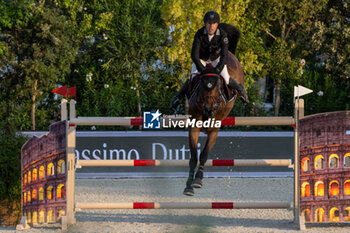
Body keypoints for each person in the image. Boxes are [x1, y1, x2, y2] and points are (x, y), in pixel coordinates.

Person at [170, 11, 249, 111]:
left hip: (216, 60)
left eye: (214, 24)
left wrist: (217, 69)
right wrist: (202, 69)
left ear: (217, 24)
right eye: (209, 23)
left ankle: (241, 90)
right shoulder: (199, 34)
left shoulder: (223, 35)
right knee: (192, 77)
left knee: (227, 79)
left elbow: (224, 56)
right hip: (201, 60)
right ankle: (178, 97)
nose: (211, 26)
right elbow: (194, 55)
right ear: (205, 24)